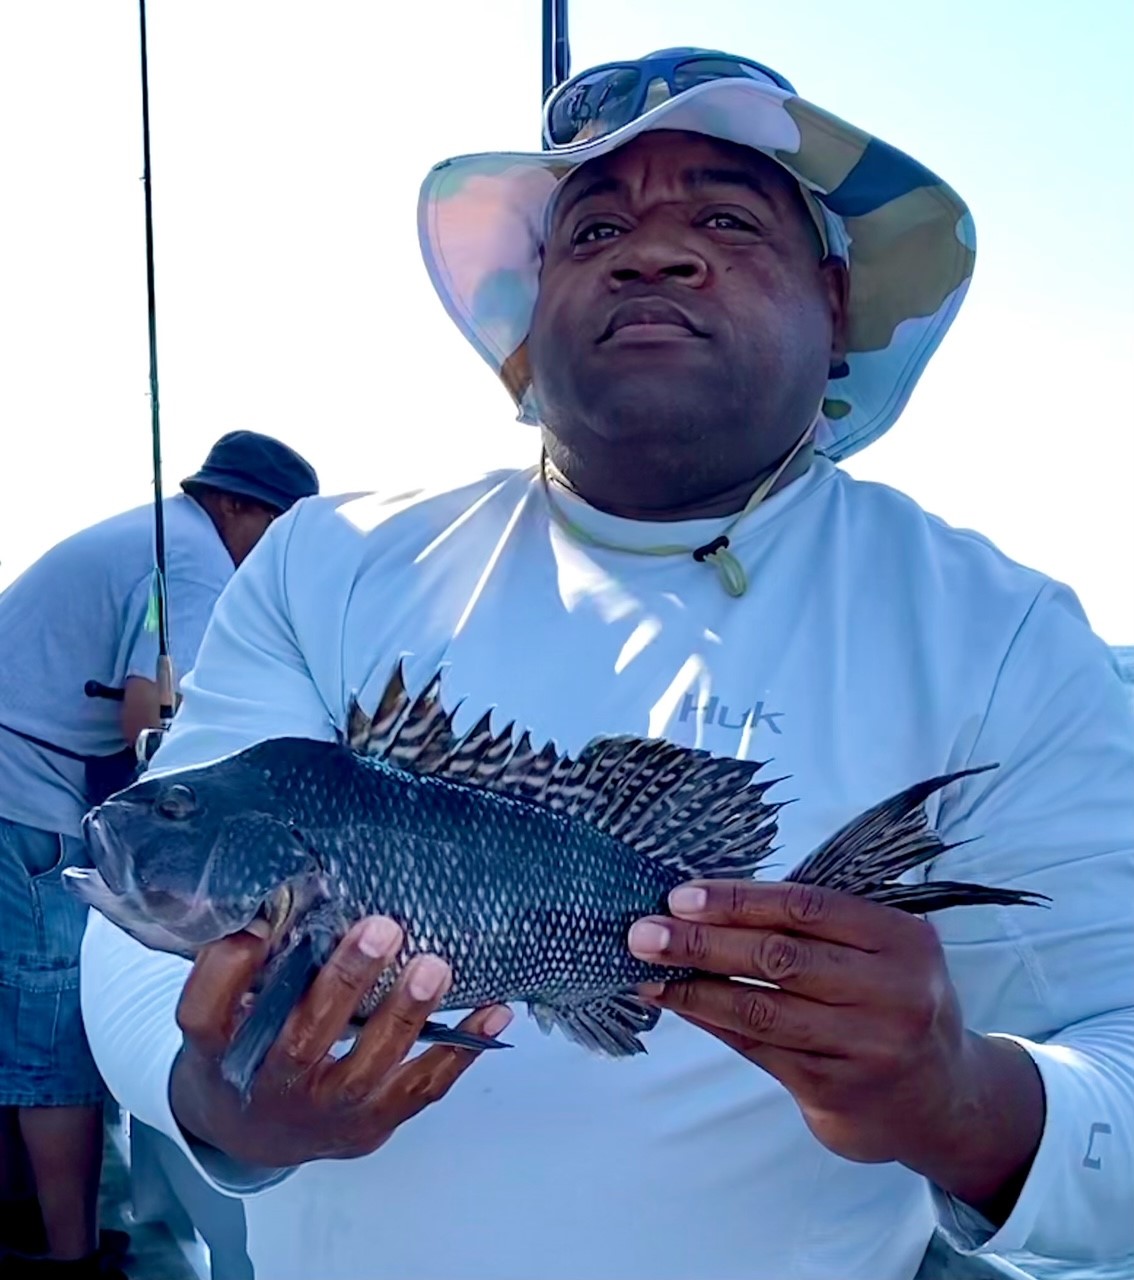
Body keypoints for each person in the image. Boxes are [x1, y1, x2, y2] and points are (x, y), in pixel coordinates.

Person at [79, 49, 1133, 1280]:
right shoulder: (328, 560)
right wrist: (221, 1100)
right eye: (594, 230)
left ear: (836, 298)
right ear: (535, 307)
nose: (652, 253)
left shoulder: (1001, 633)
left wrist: (966, 1102)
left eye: (727, 220)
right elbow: (141, 933)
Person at [0, 430, 318, 1278]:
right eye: (279, 529)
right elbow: (148, 719)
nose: (275, 555)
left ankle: (29, 1212)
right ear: (236, 506)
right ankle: (71, 1254)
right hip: (24, 800)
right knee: (53, 1021)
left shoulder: (161, 536)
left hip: (17, 786)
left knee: (25, 1008)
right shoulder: (197, 562)